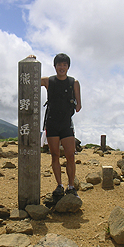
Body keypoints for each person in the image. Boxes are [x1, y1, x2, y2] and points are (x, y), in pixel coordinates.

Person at [41, 53, 82, 198]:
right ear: (55, 66)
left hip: (66, 124)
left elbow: (79, 106)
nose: (62, 67)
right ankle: (60, 185)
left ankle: (71, 186)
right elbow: (31, 79)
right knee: (55, 155)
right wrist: (30, 60)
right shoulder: (48, 81)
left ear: (68, 67)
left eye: (65, 65)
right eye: (59, 64)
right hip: (51, 123)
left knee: (70, 156)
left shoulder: (74, 83)